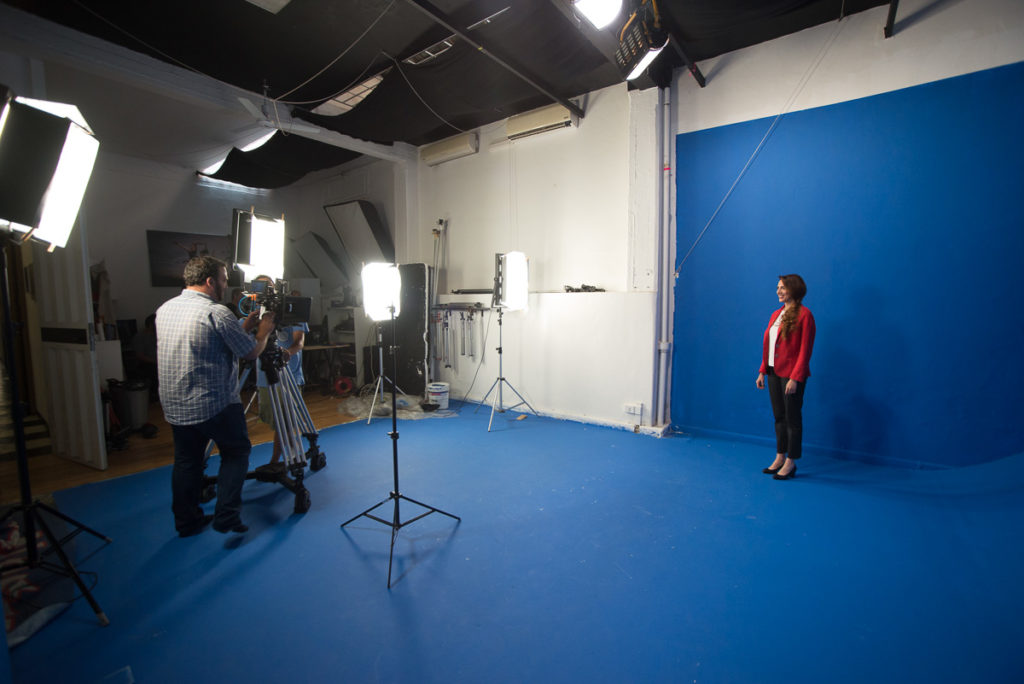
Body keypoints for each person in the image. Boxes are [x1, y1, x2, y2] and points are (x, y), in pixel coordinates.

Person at [157, 256, 275, 537]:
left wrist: (243, 326)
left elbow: (207, 341)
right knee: (236, 453)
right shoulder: (217, 312)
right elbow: (249, 351)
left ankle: (187, 522)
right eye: (223, 279)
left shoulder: (165, 309)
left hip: (175, 403)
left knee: (187, 461)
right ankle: (226, 515)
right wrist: (264, 332)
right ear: (210, 281)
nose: (225, 285)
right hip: (213, 402)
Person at [756, 274, 815, 480]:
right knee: (779, 417)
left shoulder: (805, 315)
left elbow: (805, 350)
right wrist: (763, 370)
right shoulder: (776, 314)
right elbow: (769, 344)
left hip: (791, 375)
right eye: (777, 288)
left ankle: (791, 461)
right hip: (773, 371)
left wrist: (795, 378)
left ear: (794, 289)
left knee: (792, 419)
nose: (778, 291)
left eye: (782, 288)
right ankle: (780, 456)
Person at [249, 281, 308, 466]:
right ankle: (289, 453)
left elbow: (299, 342)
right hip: (264, 374)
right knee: (272, 418)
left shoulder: (293, 313)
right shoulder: (255, 316)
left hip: (288, 373)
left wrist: (287, 353)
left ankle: (279, 460)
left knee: (287, 421)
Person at [129, 313, 159, 398]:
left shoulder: (157, 336)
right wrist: (155, 362)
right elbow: (140, 356)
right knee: (153, 370)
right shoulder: (139, 337)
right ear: (151, 324)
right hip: (146, 364)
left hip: (158, 362)